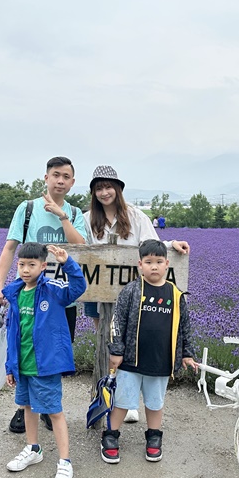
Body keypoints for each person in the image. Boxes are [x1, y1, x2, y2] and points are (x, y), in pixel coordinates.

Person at [83, 165, 190, 424]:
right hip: (100, 291)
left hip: (133, 293)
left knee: (130, 341)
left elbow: (150, 243)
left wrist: (171, 245)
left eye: (109, 187)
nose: (104, 192)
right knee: (105, 341)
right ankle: (107, 397)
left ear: (118, 189)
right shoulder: (88, 218)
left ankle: (127, 402)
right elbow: (81, 247)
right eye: (99, 188)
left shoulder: (135, 216)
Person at [0, 156, 87, 434]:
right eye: (55, 175)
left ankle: (48, 407)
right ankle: (24, 409)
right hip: (28, 294)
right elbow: (10, 248)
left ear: (72, 182)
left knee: (54, 354)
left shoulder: (75, 212)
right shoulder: (27, 208)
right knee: (24, 349)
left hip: (60, 298)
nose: (60, 180)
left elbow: (79, 245)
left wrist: (62, 215)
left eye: (66, 176)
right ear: (45, 178)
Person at [101, 239, 198, 464]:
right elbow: (117, 321)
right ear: (140, 265)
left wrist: (187, 353)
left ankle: (154, 437)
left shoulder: (175, 294)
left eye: (158, 262)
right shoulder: (132, 291)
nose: (153, 266)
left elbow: (184, 326)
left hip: (160, 361)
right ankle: (110, 435)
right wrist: (116, 350)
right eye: (148, 262)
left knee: (155, 403)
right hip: (131, 361)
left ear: (166, 264)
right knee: (123, 401)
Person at [3, 243, 86, 478]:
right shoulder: (15, 292)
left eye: (31, 265)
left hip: (45, 366)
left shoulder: (52, 288)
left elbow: (78, 288)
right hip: (23, 365)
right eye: (21, 265)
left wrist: (67, 262)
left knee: (54, 411)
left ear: (42, 266)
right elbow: (12, 333)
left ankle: (65, 462)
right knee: (27, 406)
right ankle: (33, 448)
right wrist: (10, 365)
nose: (25, 270)